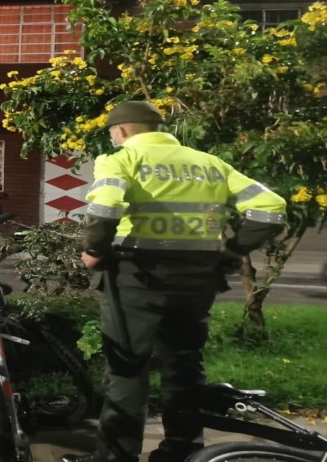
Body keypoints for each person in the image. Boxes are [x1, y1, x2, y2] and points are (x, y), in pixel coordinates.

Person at [62, 101, 287, 462]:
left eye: (111, 133)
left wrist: (94, 250)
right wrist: (232, 251)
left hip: (136, 275)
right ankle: (182, 452)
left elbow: (103, 210)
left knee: (127, 370)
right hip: (197, 279)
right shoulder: (209, 163)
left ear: (121, 131)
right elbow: (270, 208)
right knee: (184, 366)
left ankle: (115, 457)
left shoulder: (120, 159)